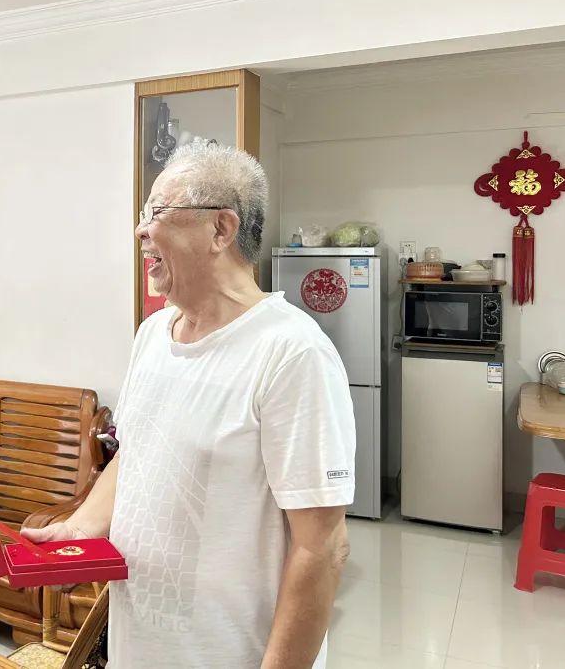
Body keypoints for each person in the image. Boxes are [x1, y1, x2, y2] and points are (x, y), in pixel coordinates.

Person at [23, 140, 356, 668]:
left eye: (156, 212)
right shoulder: (153, 334)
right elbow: (138, 452)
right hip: (140, 647)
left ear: (221, 229)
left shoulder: (292, 352)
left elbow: (323, 547)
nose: (140, 231)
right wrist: (81, 529)